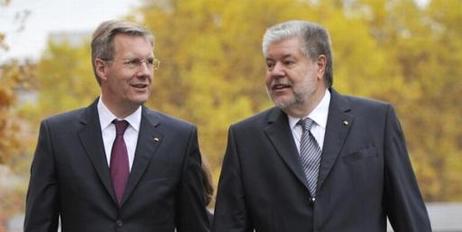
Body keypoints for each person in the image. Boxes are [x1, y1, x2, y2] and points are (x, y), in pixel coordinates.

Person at [212, 20, 431, 232]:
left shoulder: (376, 121)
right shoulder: (246, 138)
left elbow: (409, 216)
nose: (275, 72)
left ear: (319, 66)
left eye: (288, 62)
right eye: (270, 64)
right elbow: (229, 225)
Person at [24, 20, 209, 232]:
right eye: (133, 62)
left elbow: (194, 226)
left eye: (149, 62)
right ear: (102, 68)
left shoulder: (179, 138)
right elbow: (38, 225)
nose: (145, 72)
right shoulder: (58, 136)